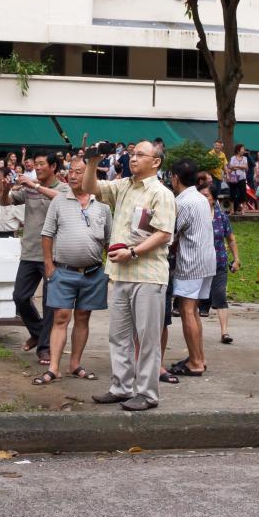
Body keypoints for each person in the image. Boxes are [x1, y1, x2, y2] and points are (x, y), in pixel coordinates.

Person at [84, 141, 175, 412]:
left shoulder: (161, 193)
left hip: (148, 275)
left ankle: (147, 393)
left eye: (140, 155)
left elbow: (163, 234)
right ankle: (121, 387)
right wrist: (91, 162)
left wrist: (132, 252)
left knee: (147, 339)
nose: (133, 159)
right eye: (132, 154)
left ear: (156, 162)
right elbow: (90, 188)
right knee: (118, 336)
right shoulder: (123, 186)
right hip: (120, 273)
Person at [33, 159, 112, 385]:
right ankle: (54, 367)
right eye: (71, 172)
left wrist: (109, 269)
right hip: (63, 271)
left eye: (80, 172)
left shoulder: (103, 205)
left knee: (83, 317)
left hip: (94, 272)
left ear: (90, 176)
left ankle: (75, 363)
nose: (74, 176)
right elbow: (47, 234)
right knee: (61, 316)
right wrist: (49, 265)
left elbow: (109, 240)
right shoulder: (59, 200)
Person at [2, 153, 67, 364]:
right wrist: (4, 188)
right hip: (29, 251)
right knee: (20, 296)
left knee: (50, 303)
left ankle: (45, 348)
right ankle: (38, 331)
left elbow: (60, 199)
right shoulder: (28, 188)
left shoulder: (63, 188)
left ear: (53, 166)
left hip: (53, 254)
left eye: (41, 164)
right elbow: (6, 202)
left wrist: (34, 185)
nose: (37, 167)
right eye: (35, 164)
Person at [165, 158, 216, 377]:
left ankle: (195, 361)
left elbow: (170, 232)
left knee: (187, 311)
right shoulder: (201, 198)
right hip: (206, 259)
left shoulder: (183, 202)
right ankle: (199, 357)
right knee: (193, 310)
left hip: (191, 262)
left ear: (175, 178)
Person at [198, 183, 240, 342]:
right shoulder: (194, 214)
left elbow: (230, 239)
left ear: (214, 199)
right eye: (200, 195)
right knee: (194, 300)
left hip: (219, 262)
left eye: (206, 196)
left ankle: (224, 332)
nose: (203, 199)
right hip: (197, 264)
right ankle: (195, 333)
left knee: (220, 295)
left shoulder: (221, 216)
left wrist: (236, 259)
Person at [226, 144, 249, 216]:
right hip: (234, 177)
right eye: (242, 149)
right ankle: (232, 210)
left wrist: (236, 166)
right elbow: (230, 166)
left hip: (242, 178)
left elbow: (246, 168)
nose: (244, 150)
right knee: (232, 193)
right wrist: (241, 167)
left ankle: (243, 210)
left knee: (243, 194)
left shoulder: (245, 158)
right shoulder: (233, 157)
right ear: (238, 150)